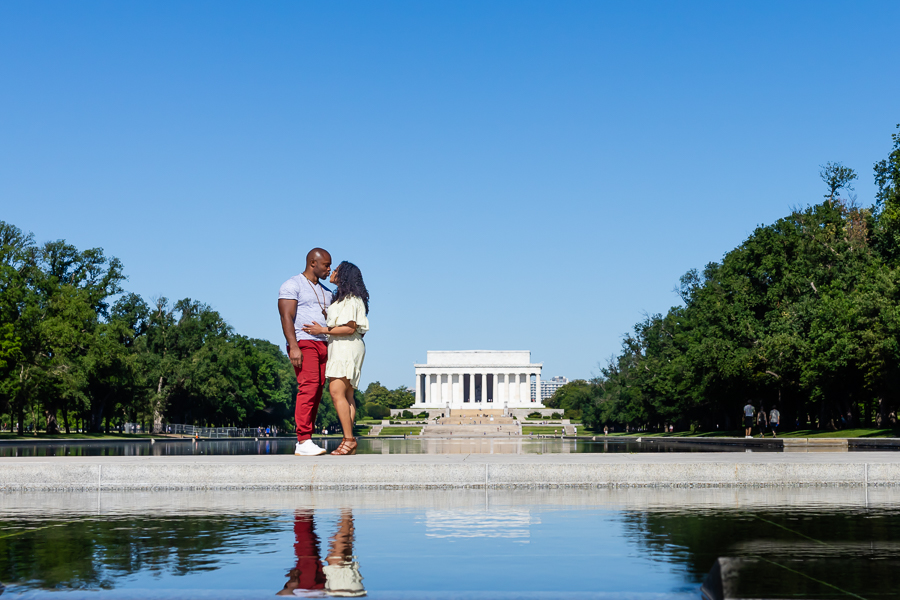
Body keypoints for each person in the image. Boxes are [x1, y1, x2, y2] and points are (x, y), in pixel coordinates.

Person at [303, 261, 369, 456]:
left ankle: (349, 439)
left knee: (336, 391)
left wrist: (322, 329)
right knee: (347, 395)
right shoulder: (344, 299)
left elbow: (349, 327)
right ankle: (347, 440)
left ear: (345, 276)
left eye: (337, 270)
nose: (332, 272)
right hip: (344, 345)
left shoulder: (351, 299)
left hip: (346, 346)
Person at [279, 248, 333, 456]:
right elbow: (286, 317)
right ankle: (303, 440)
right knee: (308, 388)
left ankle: (307, 439)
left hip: (323, 344)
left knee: (318, 391)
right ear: (313, 263)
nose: (329, 269)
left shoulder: (326, 291)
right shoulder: (292, 285)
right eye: (326, 265)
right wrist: (293, 346)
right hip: (304, 342)